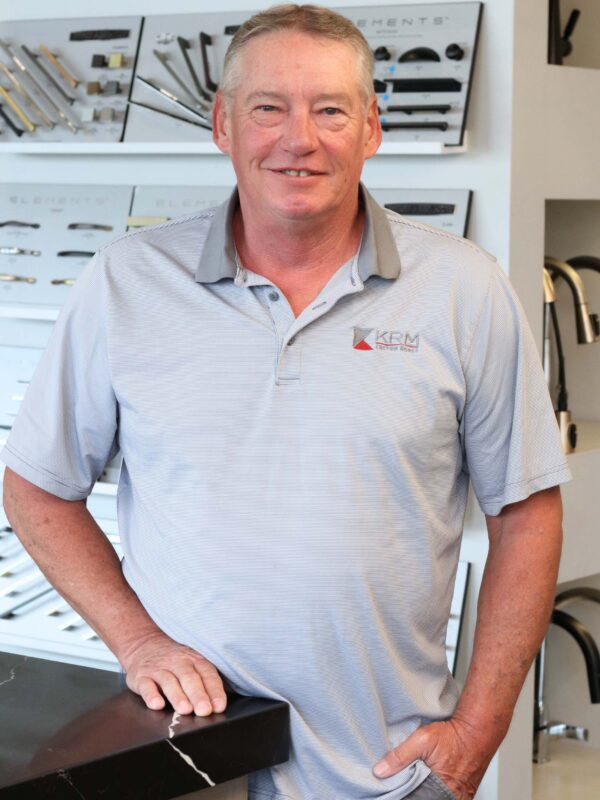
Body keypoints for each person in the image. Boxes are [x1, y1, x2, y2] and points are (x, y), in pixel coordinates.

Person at [1, 5, 570, 800]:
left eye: (330, 109)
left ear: (371, 128)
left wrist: (481, 725)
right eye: (268, 108)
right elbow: (34, 485)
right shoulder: (127, 281)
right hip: (184, 763)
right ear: (222, 125)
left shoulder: (463, 289)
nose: (298, 138)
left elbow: (528, 512)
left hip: (387, 773)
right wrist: (138, 643)